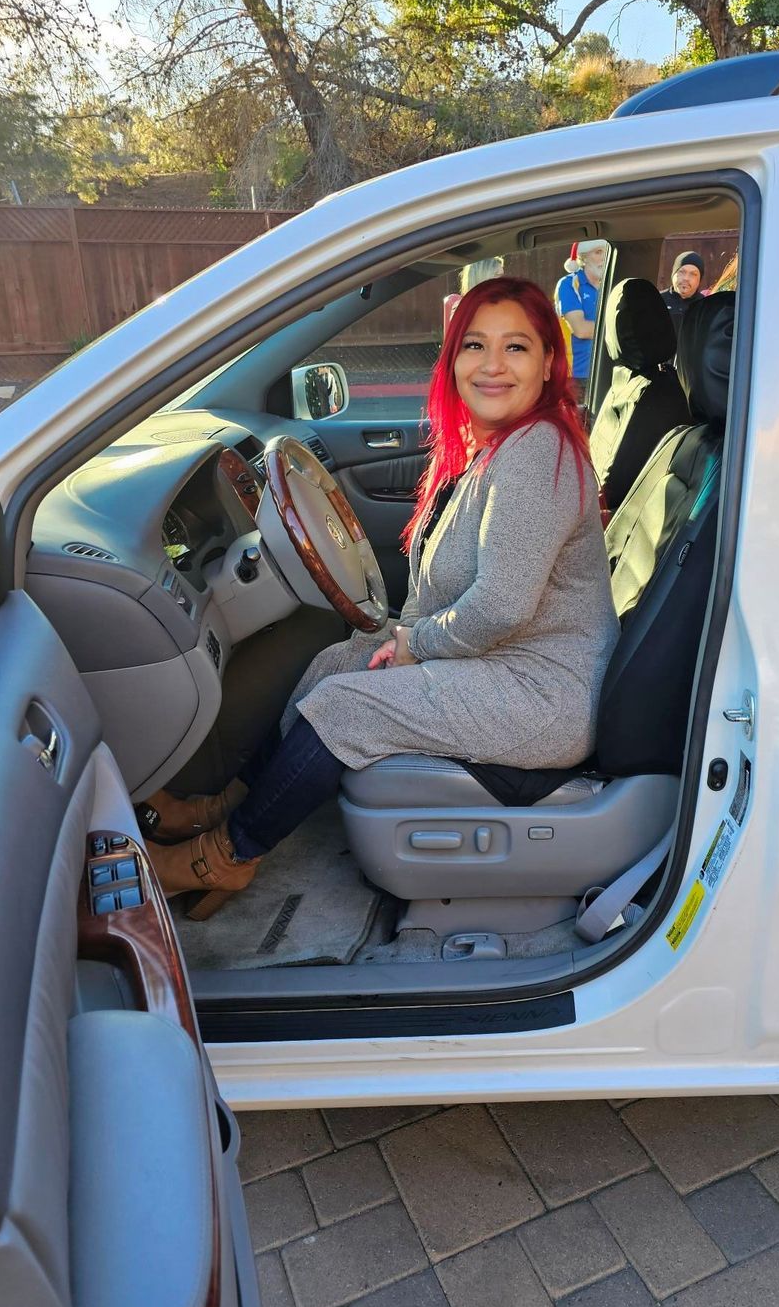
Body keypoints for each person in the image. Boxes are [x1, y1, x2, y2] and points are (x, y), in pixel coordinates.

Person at [145, 276, 621, 917]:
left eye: (517, 348)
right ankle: (226, 804)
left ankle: (226, 857)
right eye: (475, 345)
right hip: (510, 662)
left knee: (343, 705)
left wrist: (414, 645)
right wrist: (398, 640)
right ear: (453, 359)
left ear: (547, 364)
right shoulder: (494, 448)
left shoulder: (538, 452)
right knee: (334, 664)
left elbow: (503, 606)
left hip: (543, 693)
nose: (492, 365)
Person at [555, 240, 610, 395]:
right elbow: (581, 330)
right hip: (575, 376)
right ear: (583, 258)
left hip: (605, 372)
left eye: (606, 252)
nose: (604, 257)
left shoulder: (610, 285)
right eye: (598, 252)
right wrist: (618, 328)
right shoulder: (569, 284)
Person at [443, 256, 505, 336]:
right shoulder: (464, 313)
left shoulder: (500, 307)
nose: (504, 282)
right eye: (498, 276)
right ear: (483, 278)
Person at [661, 250, 706, 330]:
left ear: (700, 279)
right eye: (681, 272)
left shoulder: (706, 306)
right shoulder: (657, 299)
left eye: (693, 274)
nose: (686, 278)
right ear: (673, 274)